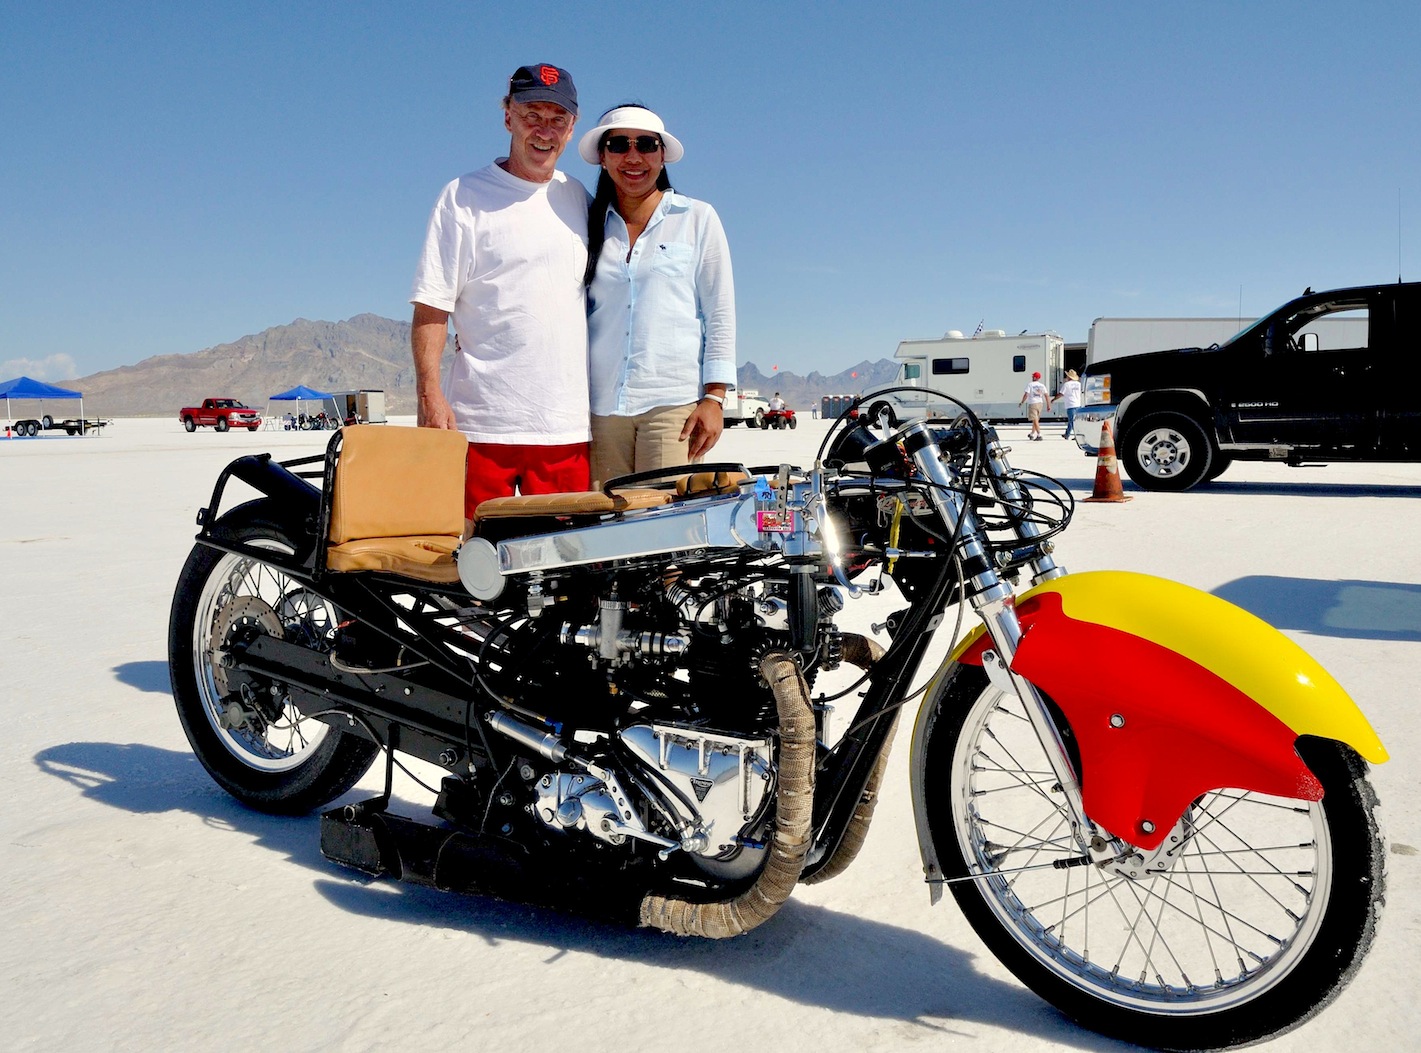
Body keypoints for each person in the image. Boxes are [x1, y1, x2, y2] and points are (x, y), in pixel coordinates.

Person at [408, 63, 591, 519]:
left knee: (563, 574)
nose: (544, 131)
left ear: (573, 127)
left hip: (564, 429)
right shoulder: (463, 196)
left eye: (557, 119)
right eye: (532, 115)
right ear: (507, 115)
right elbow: (433, 305)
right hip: (482, 423)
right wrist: (429, 396)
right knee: (469, 568)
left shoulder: (580, 200)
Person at [579, 104, 736, 486]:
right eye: (618, 145)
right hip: (600, 410)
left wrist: (714, 399)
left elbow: (720, 312)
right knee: (607, 530)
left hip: (671, 408)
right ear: (602, 156)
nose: (633, 157)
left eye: (646, 144)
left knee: (663, 527)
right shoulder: (586, 222)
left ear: (662, 154)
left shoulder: (696, 218)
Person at [1020, 370, 1051, 440]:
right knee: (1036, 419)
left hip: (1033, 403)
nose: (1032, 377)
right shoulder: (1042, 385)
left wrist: (1022, 402)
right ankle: (1032, 434)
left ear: (1035, 377)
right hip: (1040, 403)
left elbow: (1026, 394)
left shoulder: (1030, 384)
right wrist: (1048, 405)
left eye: (1033, 376)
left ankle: (1039, 434)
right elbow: (1046, 395)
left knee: (1035, 419)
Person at [1057, 368, 1083, 439]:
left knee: (1071, 421)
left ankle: (1074, 435)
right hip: (1078, 404)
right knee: (1075, 421)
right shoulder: (1079, 384)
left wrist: (1054, 399)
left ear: (1069, 377)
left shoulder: (1067, 384)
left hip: (1070, 404)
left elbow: (1061, 394)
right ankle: (1069, 434)